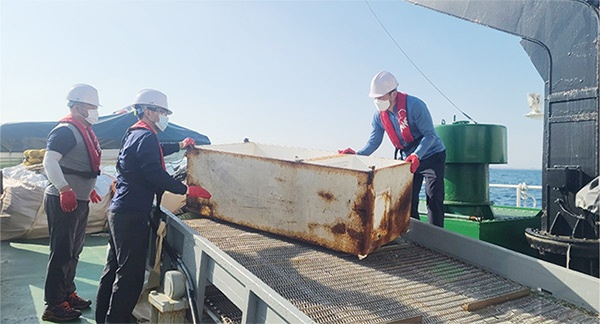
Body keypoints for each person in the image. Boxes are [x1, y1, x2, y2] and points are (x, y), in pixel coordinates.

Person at [95, 89, 211, 323]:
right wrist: (187, 190)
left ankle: (103, 316)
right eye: (161, 111)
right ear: (148, 111)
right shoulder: (145, 136)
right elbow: (155, 174)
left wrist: (179, 144)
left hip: (120, 210)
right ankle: (117, 319)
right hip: (132, 213)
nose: (164, 116)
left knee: (114, 268)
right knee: (131, 275)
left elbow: (155, 150)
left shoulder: (136, 133)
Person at [340, 71, 446, 227]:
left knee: (434, 197)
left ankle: (438, 236)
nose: (377, 101)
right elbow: (374, 142)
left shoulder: (416, 106)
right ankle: (413, 234)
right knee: (408, 199)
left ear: (393, 94)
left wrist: (417, 155)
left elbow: (430, 135)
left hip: (432, 155)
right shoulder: (379, 117)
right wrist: (357, 155)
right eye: (375, 98)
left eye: (380, 97)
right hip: (408, 159)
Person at [42, 83, 103, 322]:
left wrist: (86, 191)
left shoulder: (84, 130)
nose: (95, 111)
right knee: (62, 252)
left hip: (78, 199)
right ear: (78, 107)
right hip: (63, 200)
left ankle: (67, 293)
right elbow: (50, 162)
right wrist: (65, 188)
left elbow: (81, 165)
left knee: (74, 251)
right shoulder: (66, 131)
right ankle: (54, 305)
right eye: (92, 107)